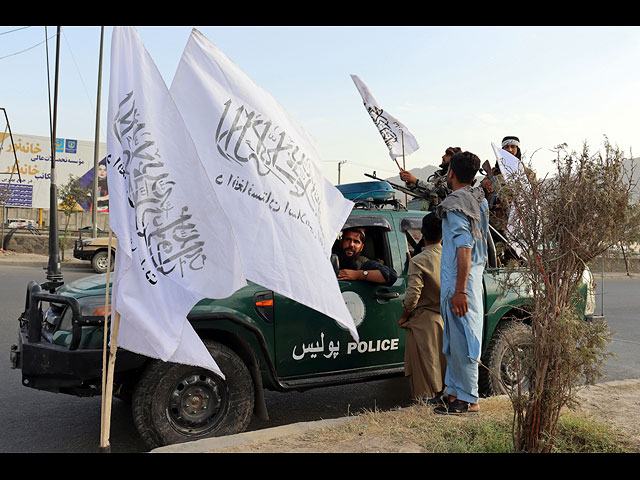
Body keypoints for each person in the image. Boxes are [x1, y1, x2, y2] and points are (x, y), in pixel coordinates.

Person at [434, 151, 489, 415]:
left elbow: (464, 247)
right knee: (454, 339)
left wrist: (459, 290)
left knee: (466, 339)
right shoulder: (479, 199)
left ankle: (468, 399)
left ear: (451, 173)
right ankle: (453, 392)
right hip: (466, 278)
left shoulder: (457, 202)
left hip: (461, 281)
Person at [398, 213, 446, 403]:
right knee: (440, 369)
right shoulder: (449, 255)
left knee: (423, 372)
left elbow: (412, 298)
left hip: (422, 323)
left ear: (422, 232)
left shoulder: (418, 261)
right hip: (443, 320)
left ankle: (425, 406)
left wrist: (404, 316)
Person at [398, 147, 461, 211]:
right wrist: (409, 181)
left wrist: (415, 181)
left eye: (447, 155)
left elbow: (441, 191)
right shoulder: (437, 176)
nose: (443, 156)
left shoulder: (454, 177)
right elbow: (424, 191)